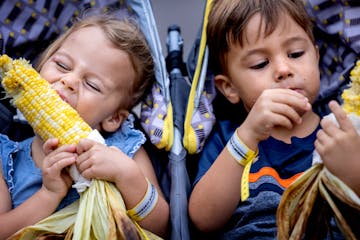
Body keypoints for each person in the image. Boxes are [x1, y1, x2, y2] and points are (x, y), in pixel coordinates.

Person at [0, 12, 169, 239]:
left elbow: (160, 227)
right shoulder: (6, 159)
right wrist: (48, 195)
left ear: (113, 119)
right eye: (61, 65)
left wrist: (127, 176)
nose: (69, 81)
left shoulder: (124, 149)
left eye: (92, 84)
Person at [188, 0, 345, 239]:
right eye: (260, 64)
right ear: (229, 87)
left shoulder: (338, 132)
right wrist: (247, 136)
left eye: (295, 54)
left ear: (316, 56)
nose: (283, 68)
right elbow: (203, 219)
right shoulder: (229, 139)